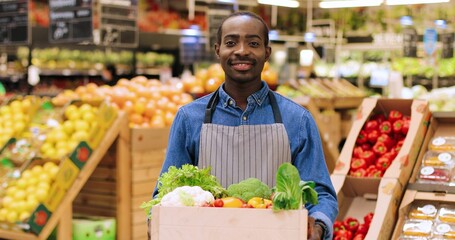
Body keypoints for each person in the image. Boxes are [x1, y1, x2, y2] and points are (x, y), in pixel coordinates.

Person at [155, 11, 338, 239]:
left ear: (266, 53)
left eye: (253, 43)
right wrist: (157, 220)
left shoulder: (298, 119)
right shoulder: (189, 118)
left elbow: (321, 193)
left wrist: (318, 225)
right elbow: (164, 192)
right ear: (218, 50)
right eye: (231, 42)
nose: (242, 51)